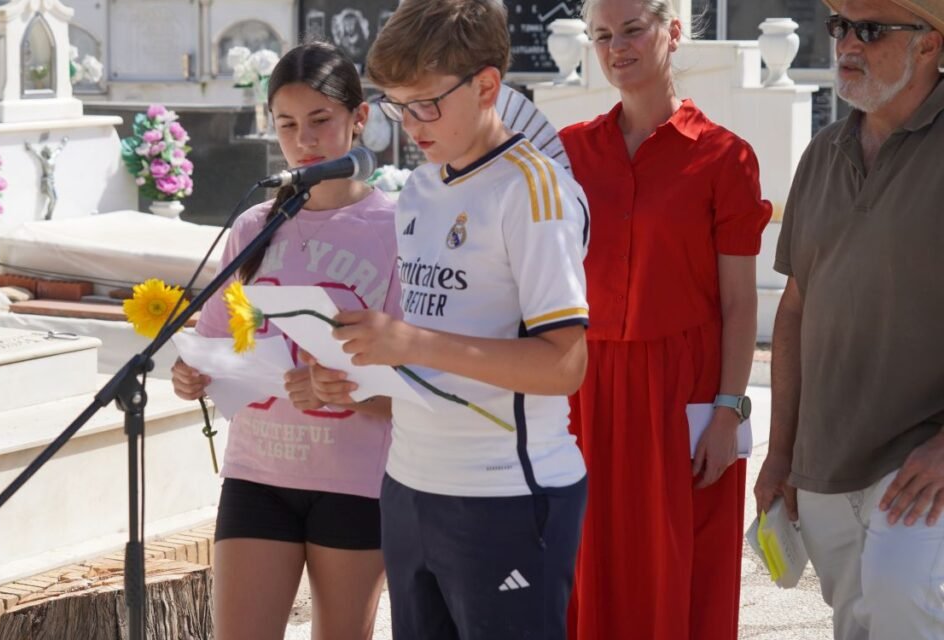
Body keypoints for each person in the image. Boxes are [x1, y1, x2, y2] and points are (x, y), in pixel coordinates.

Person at [308, 0, 591, 637]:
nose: (409, 124)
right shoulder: (421, 187)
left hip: (506, 492)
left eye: (425, 105)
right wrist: (362, 374)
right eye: (396, 105)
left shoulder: (532, 189)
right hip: (409, 482)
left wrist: (408, 340)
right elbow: (433, 351)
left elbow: (565, 364)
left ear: (487, 85)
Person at [557, 1, 772, 638]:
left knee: (681, 571)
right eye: (601, 36)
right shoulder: (567, 152)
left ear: (672, 32)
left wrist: (729, 409)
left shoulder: (725, 157)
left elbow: (739, 304)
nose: (615, 47)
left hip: (686, 391)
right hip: (586, 389)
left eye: (631, 29)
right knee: (584, 560)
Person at [170, 42, 399, 640]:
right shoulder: (254, 226)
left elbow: (423, 383)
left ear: (360, 118)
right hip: (257, 474)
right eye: (288, 125)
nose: (306, 141)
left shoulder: (398, 227)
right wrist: (195, 373)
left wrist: (347, 392)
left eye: (321, 121)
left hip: (354, 483)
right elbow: (219, 340)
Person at [754, 0, 944, 637]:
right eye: (840, 26)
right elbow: (795, 312)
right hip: (826, 464)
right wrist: (780, 456)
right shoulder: (823, 152)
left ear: (928, 44)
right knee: (857, 626)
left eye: (870, 29)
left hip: (922, 463)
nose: (846, 44)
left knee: (903, 604)